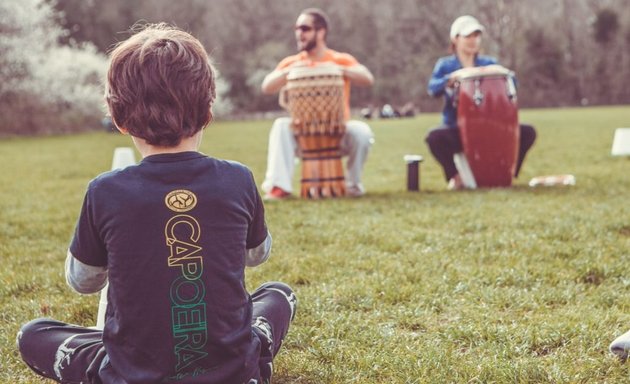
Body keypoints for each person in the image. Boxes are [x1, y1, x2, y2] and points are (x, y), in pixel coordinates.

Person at [16, 23, 297, 384]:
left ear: (118, 118)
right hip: (233, 374)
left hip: (132, 374)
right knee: (278, 294)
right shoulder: (237, 178)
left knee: (33, 333)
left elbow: (83, 281)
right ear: (208, 111)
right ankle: (252, 363)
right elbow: (257, 255)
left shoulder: (105, 191)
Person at [260, 7, 375, 199]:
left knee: (362, 132)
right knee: (280, 126)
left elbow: (367, 78)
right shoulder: (293, 62)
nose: (299, 33)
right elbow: (267, 86)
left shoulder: (339, 59)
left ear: (321, 31)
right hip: (303, 136)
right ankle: (279, 187)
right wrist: (289, 72)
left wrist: (335, 69)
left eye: (305, 28)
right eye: (297, 28)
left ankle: (352, 186)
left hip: (337, 132)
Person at [425, 15, 537, 190]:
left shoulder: (489, 62)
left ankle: (509, 170)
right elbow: (432, 89)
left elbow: (512, 82)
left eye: (476, 36)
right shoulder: (445, 65)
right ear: (455, 39)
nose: (473, 40)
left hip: (490, 126)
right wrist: (450, 79)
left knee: (527, 132)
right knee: (434, 137)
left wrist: (500, 73)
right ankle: (455, 176)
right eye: (468, 36)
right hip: (458, 127)